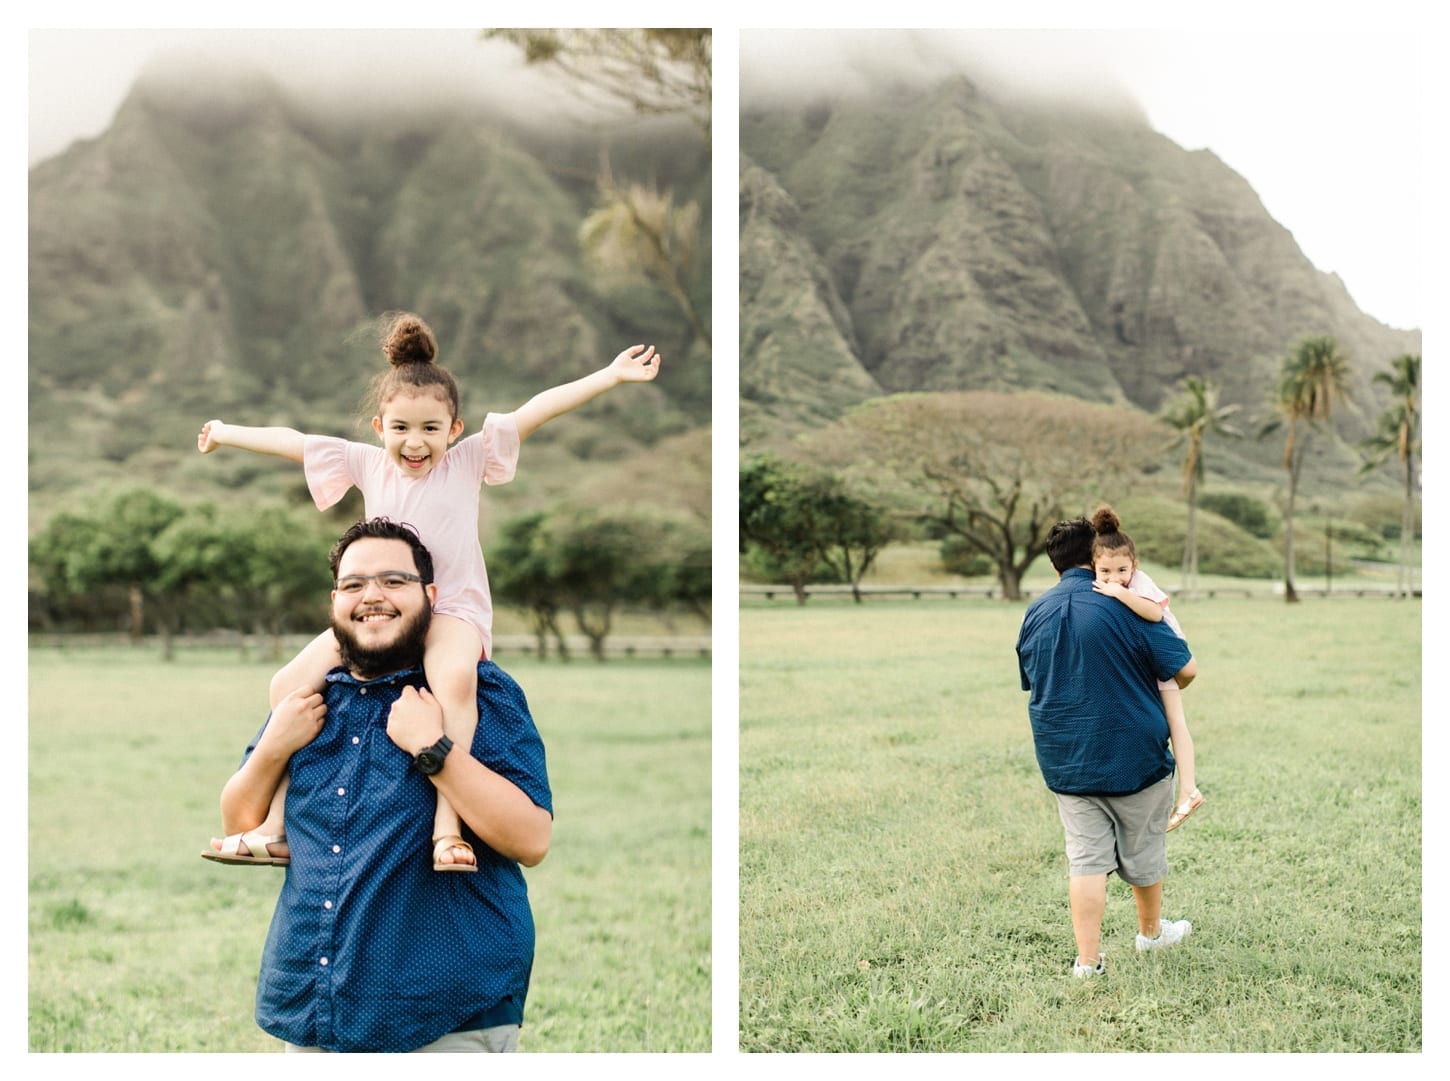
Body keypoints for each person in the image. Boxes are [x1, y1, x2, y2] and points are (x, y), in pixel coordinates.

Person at [199, 311, 657, 872]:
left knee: (454, 682)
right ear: (379, 427)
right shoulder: (365, 464)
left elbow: (536, 409)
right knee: (286, 683)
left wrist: (609, 376)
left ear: (455, 429)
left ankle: (448, 828)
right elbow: (292, 442)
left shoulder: (467, 463)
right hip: (381, 612)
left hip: (452, 611)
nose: (415, 443)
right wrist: (224, 433)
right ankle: (275, 827)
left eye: (430, 429)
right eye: (401, 429)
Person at [215, 517, 552, 1052]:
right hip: (315, 1005)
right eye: (354, 584)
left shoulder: (477, 692)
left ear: (431, 595)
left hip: (449, 1011)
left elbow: (531, 839)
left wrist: (433, 750)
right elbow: (240, 823)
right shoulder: (308, 699)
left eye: (394, 581)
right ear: (335, 602)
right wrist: (276, 744)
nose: (372, 596)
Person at [1015, 515, 1199, 978]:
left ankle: (1087, 963)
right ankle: (1151, 935)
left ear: (1055, 567)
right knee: (1144, 850)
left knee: (1085, 860)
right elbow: (1187, 668)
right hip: (1133, 754)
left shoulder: (1036, 611)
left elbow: (1031, 680)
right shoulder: (1127, 603)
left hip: (1064, 760)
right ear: (1093, 556)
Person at [1088, 505, 1204, 831]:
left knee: (1176, 719)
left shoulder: (1139, 583)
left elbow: (1153, 614)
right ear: (1093, 568)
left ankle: (1189, 789)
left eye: (1122, 570)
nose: (1115, 579)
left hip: (1165, 656)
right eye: (1105, 573)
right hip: (1150, 658)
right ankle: (1187, 789)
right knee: (1169, 719)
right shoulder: (1115, 583)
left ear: (1134, 566)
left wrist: (1116, 592)